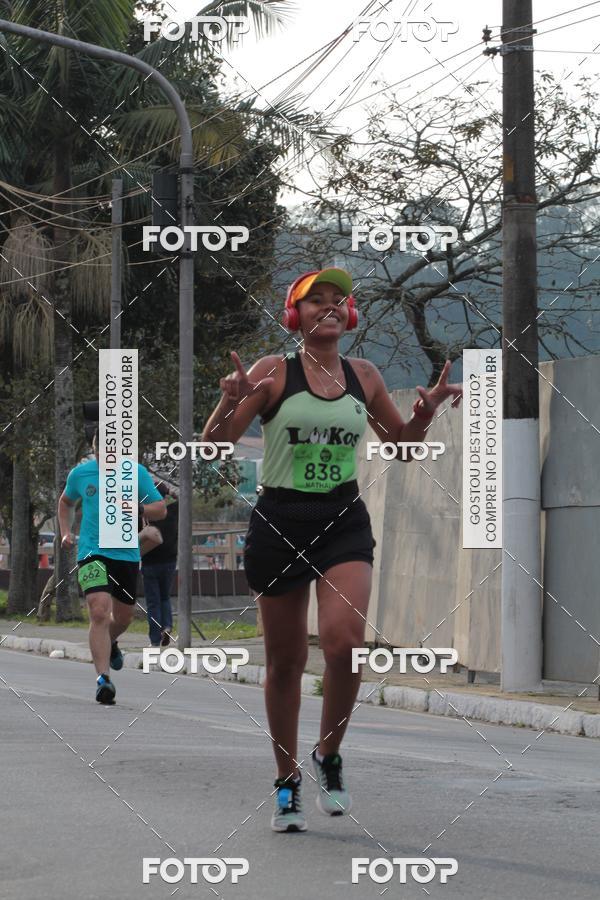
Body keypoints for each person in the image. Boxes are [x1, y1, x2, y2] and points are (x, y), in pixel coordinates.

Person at [202, 267, 463, 832]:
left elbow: (400, 448)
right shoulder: (273, 372)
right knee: (286, 664)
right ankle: (287, 780)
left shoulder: (363, 375)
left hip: (342, 517)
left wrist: (424, 412)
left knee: (345, 645)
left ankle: (328, 754)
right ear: (294, 316)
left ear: (349, 316)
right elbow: (213, 447)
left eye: (337, 300)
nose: (328, 307)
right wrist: (228, 402)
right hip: (279, 521)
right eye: (314, 300)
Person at [58, 431, 166, 705]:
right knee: (98, 611)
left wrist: (136, 509)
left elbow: (160, 509)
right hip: (92, 552)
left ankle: (111, 643)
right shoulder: (81, 474)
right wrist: (64, 531)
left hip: (126, 555)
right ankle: (103, 679)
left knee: (124, 617)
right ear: (95, 447)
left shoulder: (136, 473)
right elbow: (65, 502)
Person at [140, 483, 178, 648]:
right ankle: (167, 625)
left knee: (153, 602)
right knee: (165, 597)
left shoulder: (144, 516)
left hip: (149, 562)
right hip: (169, 560)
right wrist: (171, 492)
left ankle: (155, 639)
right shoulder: (174, 512)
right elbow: (183, 499)